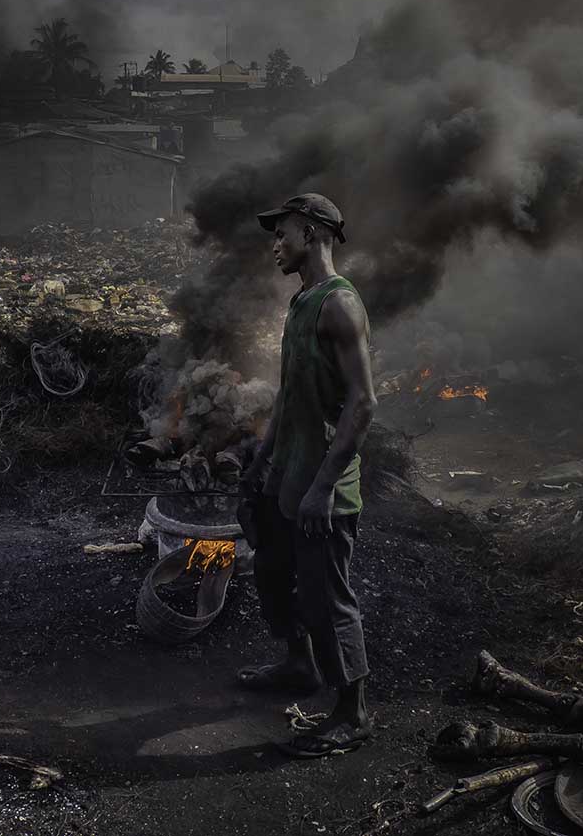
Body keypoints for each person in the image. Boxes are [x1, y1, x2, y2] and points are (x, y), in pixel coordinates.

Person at [237, 193, 376, 758]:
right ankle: (299, 664)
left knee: (326, 598)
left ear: (313, 233)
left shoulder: (339, 306)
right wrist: (261, 460)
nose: (275, 245)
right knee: (271, 569)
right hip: (288, 471)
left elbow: (363, 404)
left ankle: (353, 713)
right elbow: (291, 392)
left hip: (323, 484)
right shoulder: (301, 302)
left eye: (283, 234)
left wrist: (322, 489)